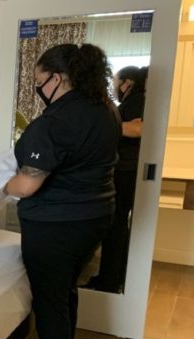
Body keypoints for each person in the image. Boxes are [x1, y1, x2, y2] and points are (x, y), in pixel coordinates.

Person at [4, 44, 120, 339]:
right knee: (66, 293)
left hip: (57, 226)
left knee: (50, 302)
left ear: (57, 78)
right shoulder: (105, 110)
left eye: (40, 81)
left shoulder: (55, 122)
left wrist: (1, 185)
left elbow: (25, 185)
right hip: (95, 217)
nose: (39, 89)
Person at [87, 65, 148, 293]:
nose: (114, 87)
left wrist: (104, 126)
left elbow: (139, 128)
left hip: (125, 173)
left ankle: (109, 282)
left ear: (128, 82)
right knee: (117, 228)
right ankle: (112, 277)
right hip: (124, 170)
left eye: (116, 82)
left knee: (115, 228)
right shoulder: (131, 102)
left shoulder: (137, 100)